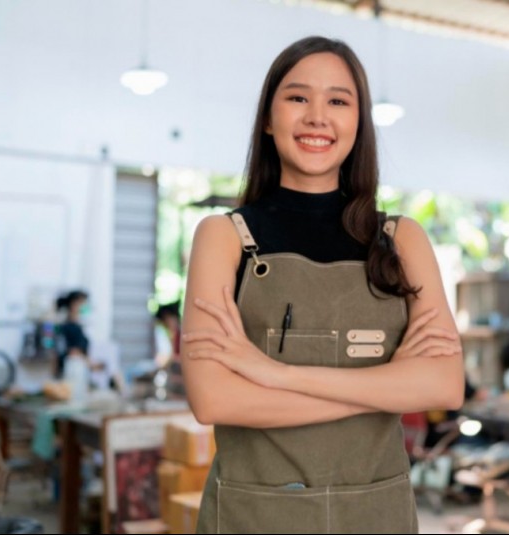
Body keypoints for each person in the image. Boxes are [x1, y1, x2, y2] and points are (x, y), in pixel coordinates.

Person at [181, 36, 465, 534]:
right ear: (268, 119)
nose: (317, 116)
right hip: (255, 518)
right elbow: (215, 401)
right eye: (297, 98)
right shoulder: (223, 238)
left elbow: (444, 384)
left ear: (358, 122)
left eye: (338, 100)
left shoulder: (402, 240)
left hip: (376, 516)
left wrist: (271, 373)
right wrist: (388, 386)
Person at [54, 289, 90, 379]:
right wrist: (91, 364)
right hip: (72, 372)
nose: (86, 306)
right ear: (74, 304)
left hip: (71, 371)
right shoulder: (70, 327)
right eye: (83, 303)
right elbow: (72, 352)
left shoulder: (71, 325)